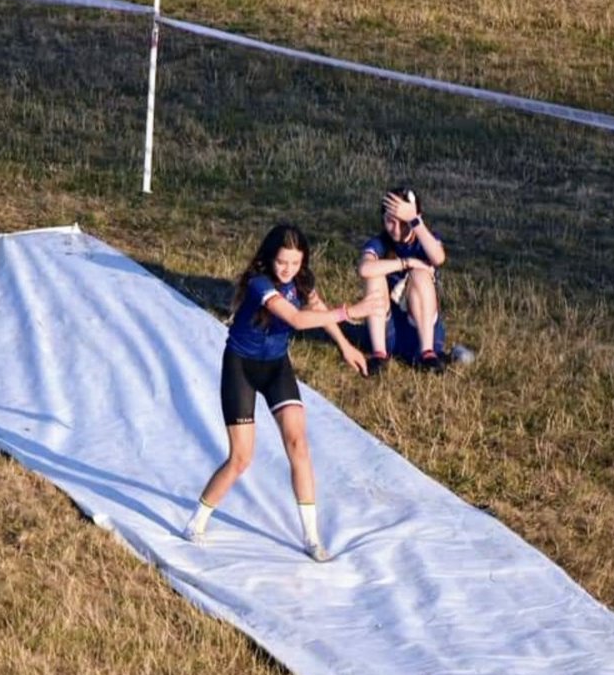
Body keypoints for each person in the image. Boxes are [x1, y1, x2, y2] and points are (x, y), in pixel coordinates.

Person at [184, 223, 385, 562]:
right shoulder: (259, 283)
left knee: (298, 444)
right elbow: (295, 319)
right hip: (241, 368)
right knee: (241, 458)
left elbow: (318, 314)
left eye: (295, 263)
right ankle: (197, 520)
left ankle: (311, 537)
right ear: (269, 259)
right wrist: (352, 312)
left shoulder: (302, 281)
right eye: (282, 263)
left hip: (276, 367)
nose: (288, 270)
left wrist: (346, 346)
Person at [357, 186, 448, 374]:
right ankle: (379, 354)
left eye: (404, 223)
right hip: (387, 331)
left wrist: (415, 220)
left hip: (421, 334)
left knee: (420, 275)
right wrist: (406, 262)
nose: (397, 229)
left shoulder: (425, 240)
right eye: (390, 222)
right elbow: (365, 269)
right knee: (374, 276)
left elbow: (439, 258)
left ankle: (427, 354)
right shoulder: (380, 243)